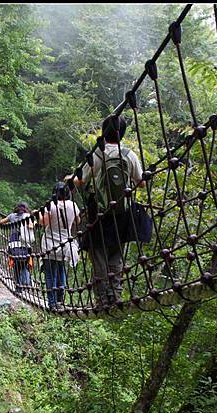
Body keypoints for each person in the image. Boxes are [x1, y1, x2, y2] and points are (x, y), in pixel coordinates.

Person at [67, 115, 146, 306]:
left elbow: (81, 180)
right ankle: (115, 295)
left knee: (98, 254)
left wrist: (69, 179)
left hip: (99, 211)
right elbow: (142, 183)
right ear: (122, 134)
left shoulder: (97, 153)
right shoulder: (129, 154)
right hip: (122, 211)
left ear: (104, 131)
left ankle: (102, 299)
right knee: (116, 253)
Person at [39, 182, 81, 310]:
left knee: (50, 274)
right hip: (64, 244)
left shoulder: (51, 205)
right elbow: (78, 221)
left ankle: (52, 303)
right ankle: (60, 300)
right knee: (61, 270)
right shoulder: (73, 205)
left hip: (50, 243)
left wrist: (40, 213)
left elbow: (43, 223)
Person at [0, 203, 34, 294]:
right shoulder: (27, 216)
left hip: (13, 245)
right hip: (24, 245)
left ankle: (18, 287)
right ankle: (26, 283)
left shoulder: (12, 216)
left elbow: (1, 222)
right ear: (25, 209)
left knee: (16, 266)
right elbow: (31, 226)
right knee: (24, 264)